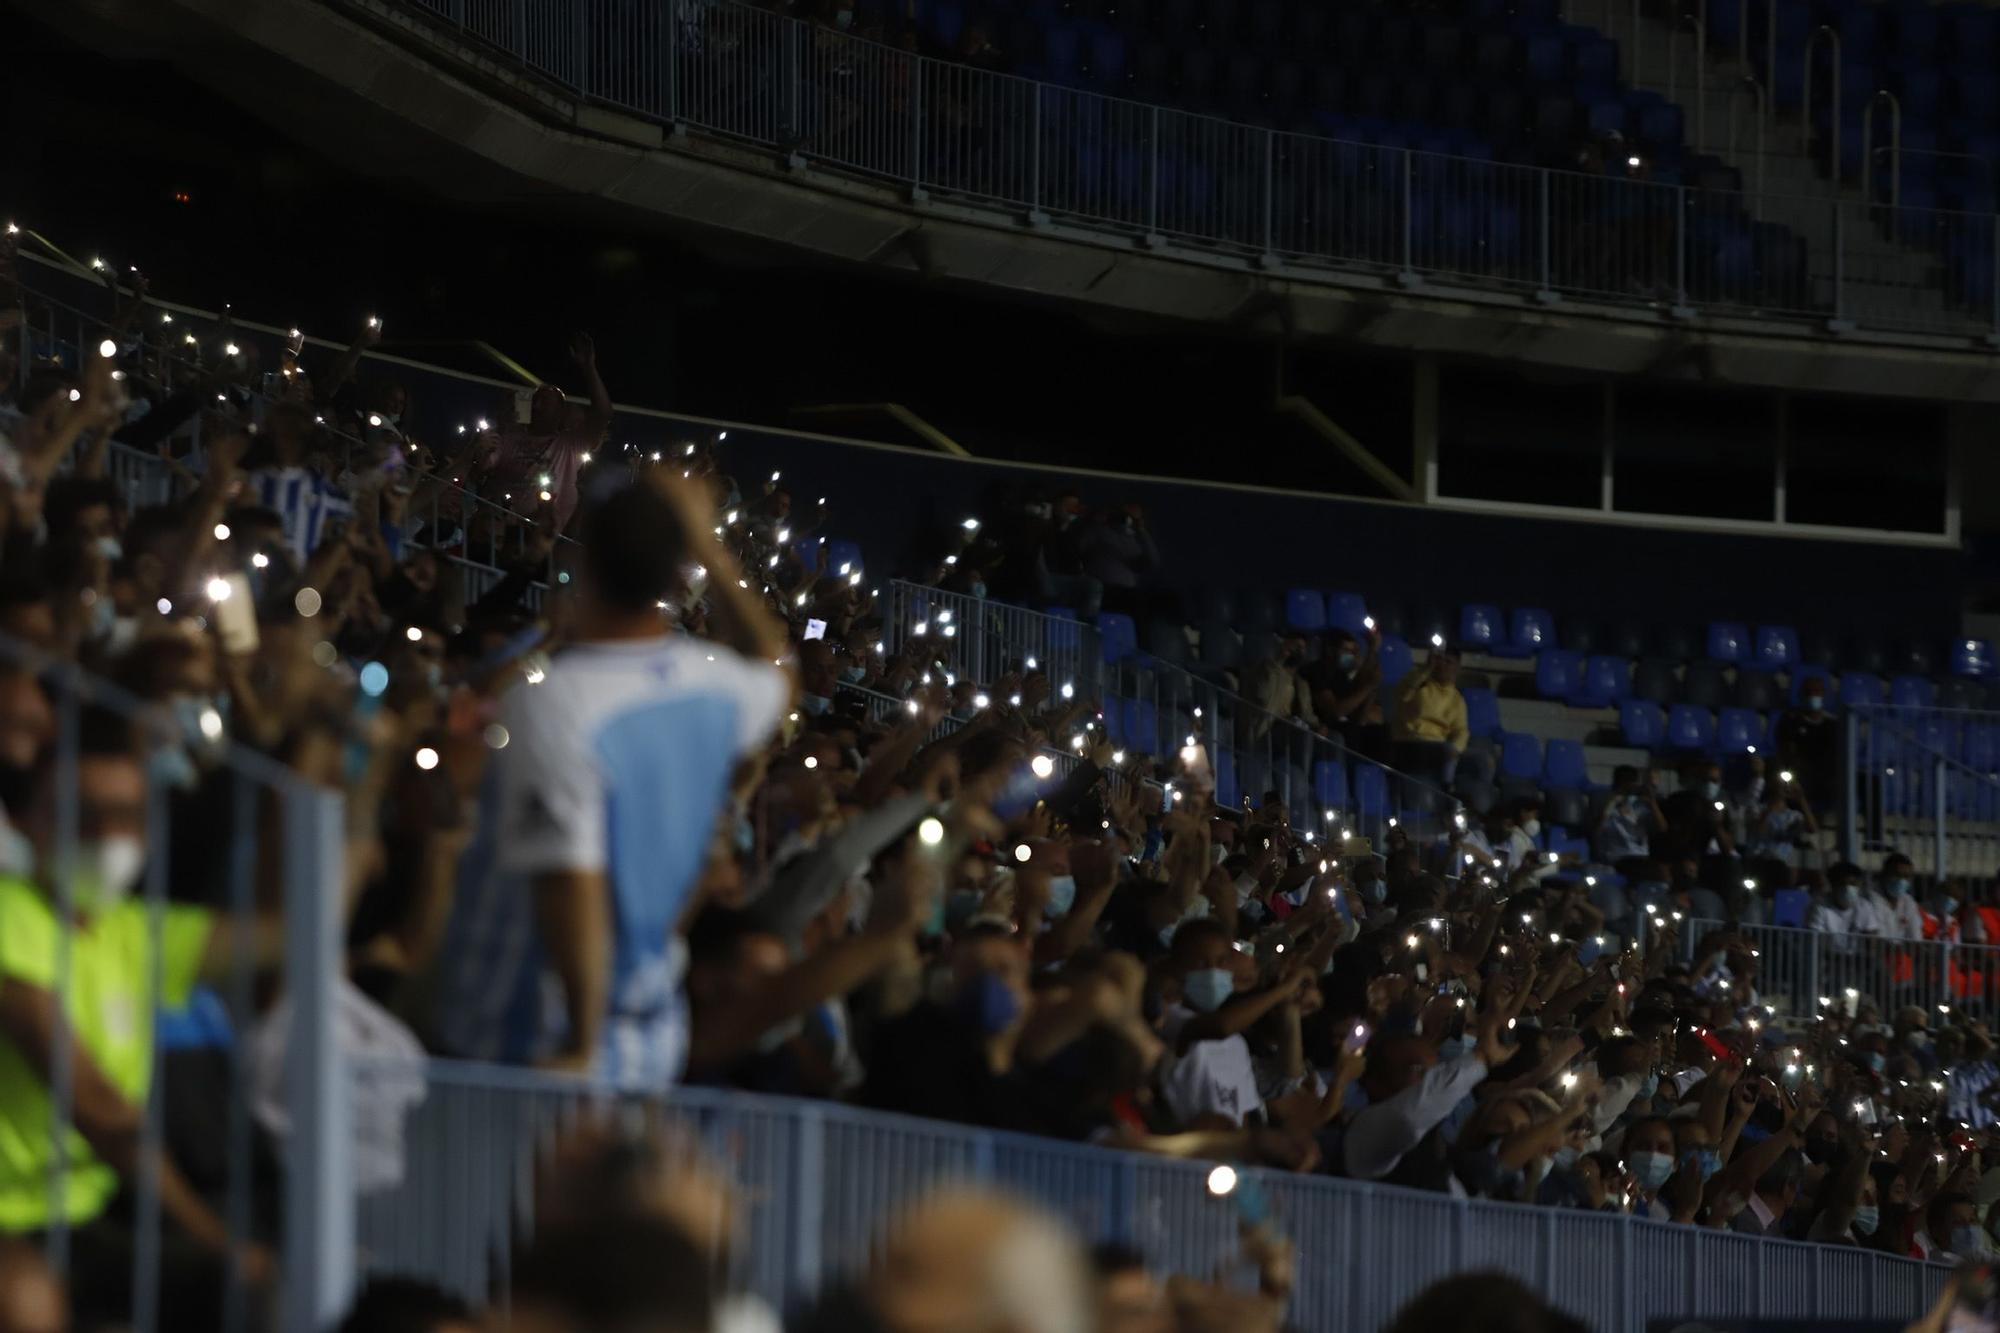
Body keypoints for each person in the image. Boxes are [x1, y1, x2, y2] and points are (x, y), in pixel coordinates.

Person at [433, 473, 793, 1083]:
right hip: (648, 1032)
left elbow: (569, 883)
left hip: (529, 1042)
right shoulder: (713, 684)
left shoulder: (554, 703)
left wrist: (580, 1038)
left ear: (586, 562)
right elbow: (780, 676)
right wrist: (708, 545)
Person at [0, 708, 285, 1317]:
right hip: (13, 1221)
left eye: (126, 816)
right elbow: (98, 1107)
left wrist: (324, 768)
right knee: (26, 1303)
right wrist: (218, 1242)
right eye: (83, 813)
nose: (106, 834)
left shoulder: (132, 929)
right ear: (26, 822)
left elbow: (289, 931)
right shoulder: (9, 914)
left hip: (93, 1212)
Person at [478, 333, 612, 533]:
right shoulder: (509, 438)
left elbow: (603, 413)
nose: (537, 406)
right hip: (505, 534)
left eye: (545, 402)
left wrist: (589, 368)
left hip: (546, 539)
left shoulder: (570, 444)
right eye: (535, 400)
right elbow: (484, 465)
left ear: (560, 412)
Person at [1303, 627, 1387, 761]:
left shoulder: (1340, 675)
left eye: (1354, 652)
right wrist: (1368, 687)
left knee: (1380, 733)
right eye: (1347, 651)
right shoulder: (1316, 671)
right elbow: (1336, 711)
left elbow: (1360, 718)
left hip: (1345, 731)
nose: (1352, 656)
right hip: (1319, 730)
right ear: (1330, 651)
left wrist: (1372, 649)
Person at [1390, 644, 1467, 785]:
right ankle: (1446, 788)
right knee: (1445, 752)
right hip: (1411, 741)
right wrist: (1426, 669)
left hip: (1439, 745)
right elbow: (1403, 697)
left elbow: (1461, 729)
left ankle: (1460, 796)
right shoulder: (1418, 681)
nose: (1443, 665)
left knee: (1482, 761)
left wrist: (1457, 747)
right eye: (1440, 660)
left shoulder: (1457, 698)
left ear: (1457, 667)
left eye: (1448, 662)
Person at [1772, 683, 1837, 810]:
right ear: (1802, 696)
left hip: (1825, 775)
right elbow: (1786, 749)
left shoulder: (1832, 724)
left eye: (1817, 692)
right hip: (1800, 773)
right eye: (1809, 692)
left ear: (1823, 695)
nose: (1813, 696)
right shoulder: (1791, 720)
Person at [1593, 765, 1662, 871]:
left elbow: (1662, 828)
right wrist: (1611, 804)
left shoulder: (1640, 805)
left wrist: (1652, 803)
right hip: (1616, 857)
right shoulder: (1605, 803)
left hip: (1640, 856)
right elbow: (1596, 832)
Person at [1862, 854, 1926, 941]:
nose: (1901, 880)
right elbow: (1878, 940)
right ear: (1884, 874)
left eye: (1906, 876)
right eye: (1897, 875)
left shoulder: (1909, 902)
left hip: (1900, 952)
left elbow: (1916, 938)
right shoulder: (1870, 898)